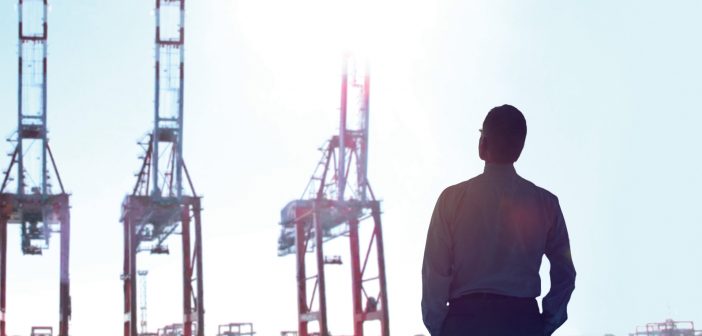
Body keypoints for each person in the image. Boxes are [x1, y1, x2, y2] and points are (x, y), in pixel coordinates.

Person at [421, 105, 576, 336]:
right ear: (520, 148)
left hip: (464, 321)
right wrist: (545, 325)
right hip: (523, 321)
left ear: (483, 145)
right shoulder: (547, 204)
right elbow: (565, 273)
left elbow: (435, 272)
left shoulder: (452, 200)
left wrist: (441, 328)